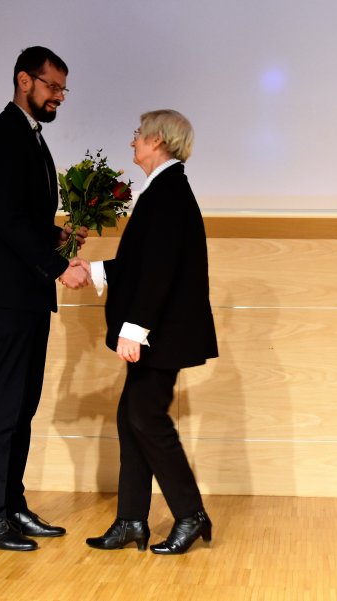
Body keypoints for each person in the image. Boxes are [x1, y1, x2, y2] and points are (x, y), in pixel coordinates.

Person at [76, 109, 218, 555]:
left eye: (138, 134)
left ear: (158, 140)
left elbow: (158, 271)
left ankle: (190, 514)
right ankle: (132, 519)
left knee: (144, 417)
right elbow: (143, 262)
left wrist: (134, 329)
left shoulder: (169, 192)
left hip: (161, 332)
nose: (133, 141)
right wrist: (95, 269)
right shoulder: (163, 189)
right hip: (161, 329)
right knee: (131, 417)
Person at [0, 46, 90, 552]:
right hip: (7, 293)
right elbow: (6, 220)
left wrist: (62, 238)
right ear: (24, 81)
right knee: (4, 403)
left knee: (23, 403)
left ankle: (12, 505)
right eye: (51, 87)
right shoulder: (2, 136)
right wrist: (58, 266)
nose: (58, 97)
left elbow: (28, 220)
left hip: (28, 294)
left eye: (62, 89)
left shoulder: (31, 138)